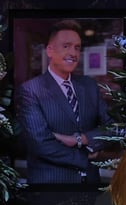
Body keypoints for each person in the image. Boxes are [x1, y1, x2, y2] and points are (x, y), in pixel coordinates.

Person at [17, 19, 114, 185]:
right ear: (50, 50)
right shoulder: (31, 90)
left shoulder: (89, 85)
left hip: (91, 183)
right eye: (66, 46)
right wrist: (84, 157)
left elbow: (112, 128)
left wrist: (82, 139)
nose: (73, 53)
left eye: (77, 47)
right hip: (51, 185)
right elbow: (40, 143)